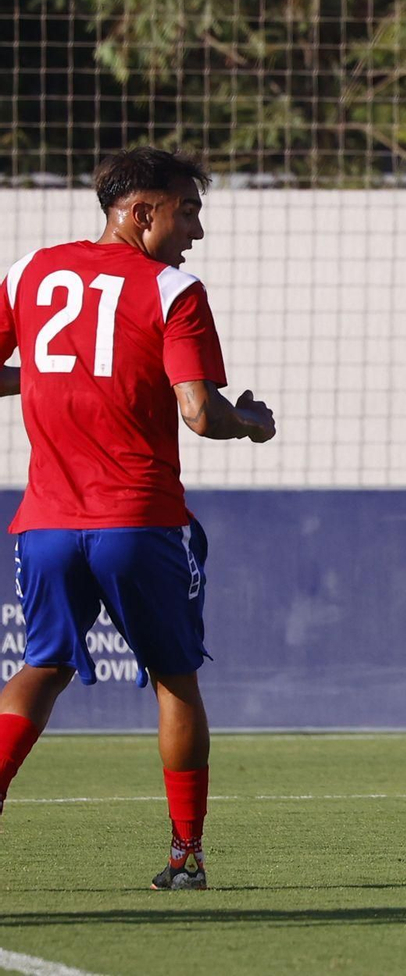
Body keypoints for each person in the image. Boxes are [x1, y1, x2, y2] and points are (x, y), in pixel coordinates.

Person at [0, 146, 276, 890]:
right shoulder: (173, 290)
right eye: (187, 212)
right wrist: (250, 423)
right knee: (174, 679)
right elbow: (200, 412)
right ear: (142, 211)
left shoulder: (29, 272)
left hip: (45, 523)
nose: (196, 231)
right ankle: (186, 856)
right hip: (140, 521)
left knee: (41, 668)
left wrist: (46, 376)